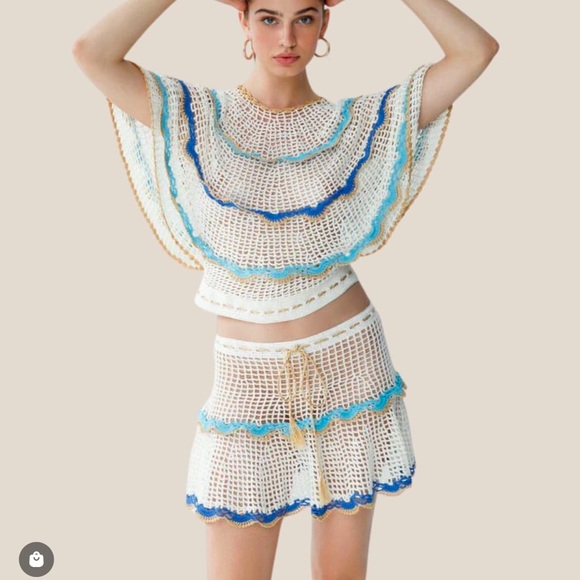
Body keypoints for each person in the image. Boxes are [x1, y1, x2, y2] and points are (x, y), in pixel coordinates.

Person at [72, 0, 498, 578]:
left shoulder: (360, 125)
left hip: (350, 366)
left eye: (304, 17)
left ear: (325, 23)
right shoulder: (195, 116)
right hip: (247, 383)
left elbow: (475, 51)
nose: (287, 37)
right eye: (269, 18)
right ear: (243, 22)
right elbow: (91, 53)